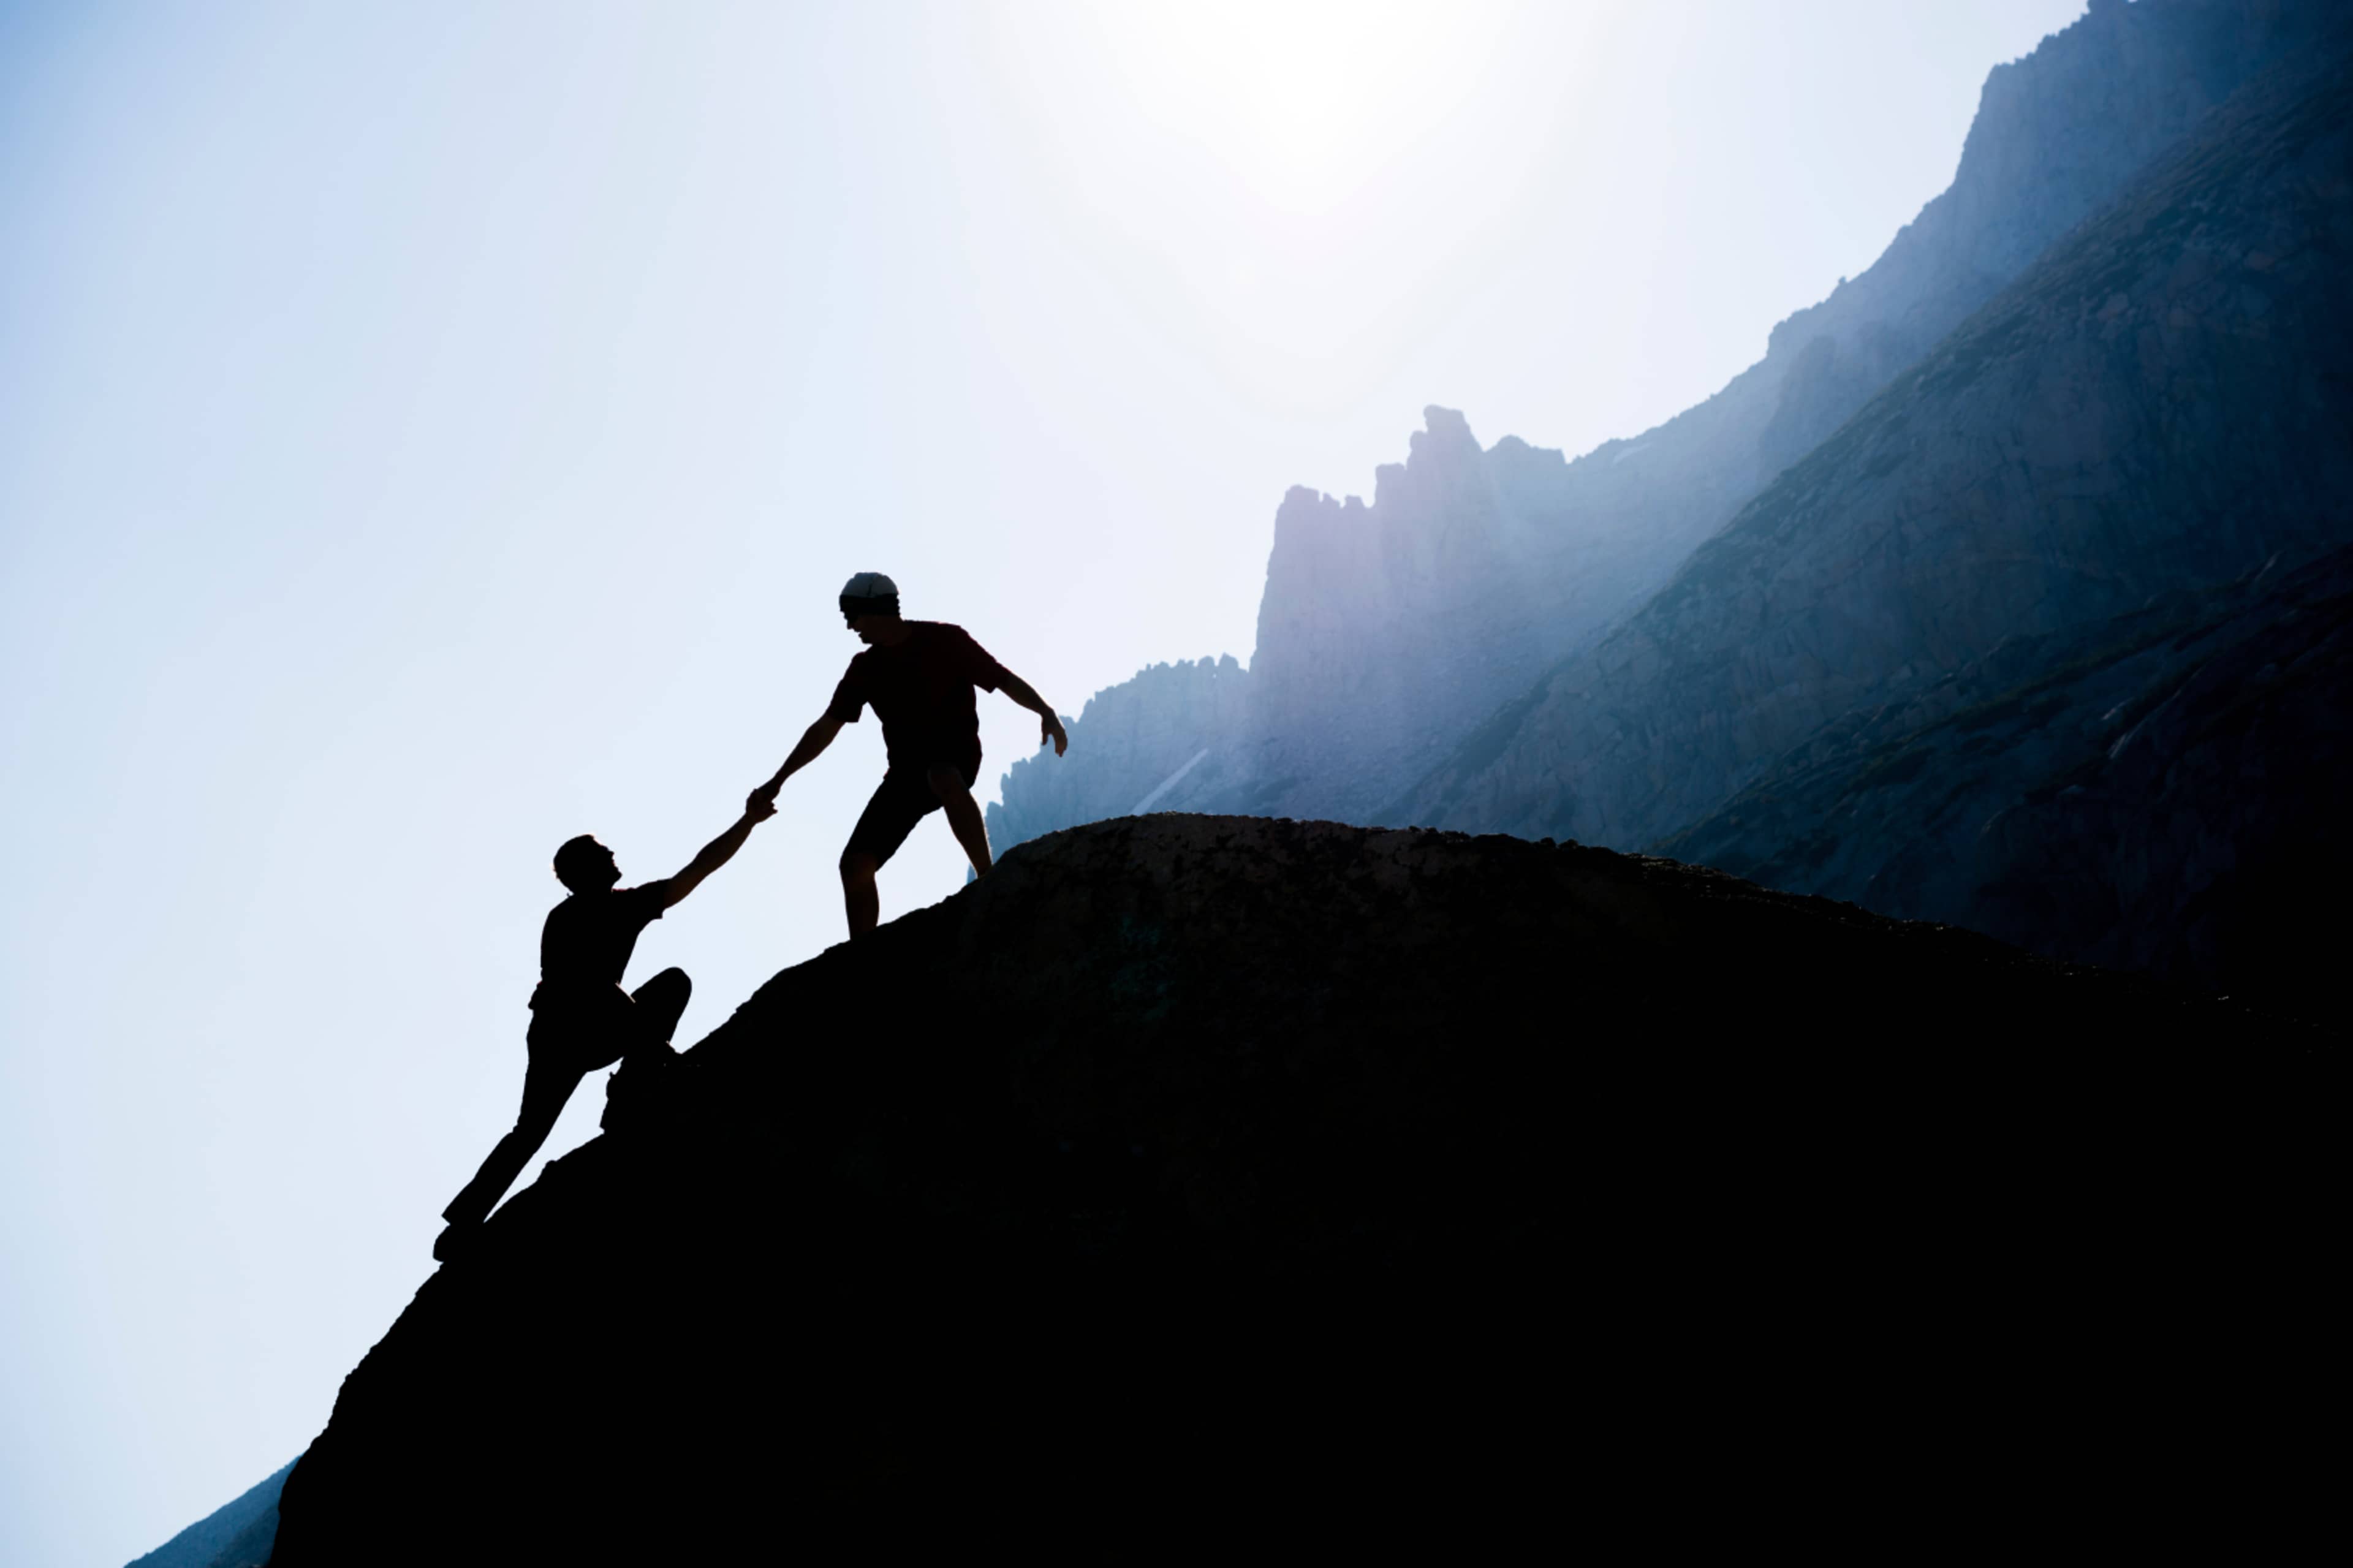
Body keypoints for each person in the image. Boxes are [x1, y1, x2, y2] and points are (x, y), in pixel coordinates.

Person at [433, 789, 775, 1261]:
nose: (613, 854)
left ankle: (632, 1090)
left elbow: (697, 869)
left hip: (606, 1025)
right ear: (583, 870)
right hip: (560, 1034)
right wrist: (655, 1046)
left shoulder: (627, 905)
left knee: (673, 983)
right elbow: (587, 984)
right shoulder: (566, 918)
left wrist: (748, 822)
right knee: (530, 1131)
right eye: (601, 852)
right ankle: (462, 1222)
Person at [757, 572, 1066, 938]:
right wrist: (778, 781)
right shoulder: (864, 669)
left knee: (942, 776)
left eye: (851, 616)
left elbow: (1003, 680)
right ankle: (860, 956)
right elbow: (825, 728)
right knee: (854, 865)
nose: (849, 627)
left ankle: (989, 878)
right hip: (904, 776)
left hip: (956, 757)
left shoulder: (946, 640)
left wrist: (1045, 712)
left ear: (875, 609)